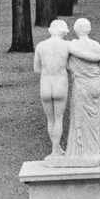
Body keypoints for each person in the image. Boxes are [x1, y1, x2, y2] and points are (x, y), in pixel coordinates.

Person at [66, 18, 100, 164]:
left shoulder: (72, 45)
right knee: (95, 120)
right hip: (96, 84)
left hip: (81, 85)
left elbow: (69, 66)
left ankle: (79, 153)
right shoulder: (96, 45)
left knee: (80, 118)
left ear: (76, 30)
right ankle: (94, 150)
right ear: (89, 29)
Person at [33, 19, 70, 159]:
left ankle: (56, 148)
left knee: (50, 119)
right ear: (63, 32)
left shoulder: (41, 46)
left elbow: (36, 69)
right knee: (59, 118)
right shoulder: (67, 45)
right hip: (60, 83)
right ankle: (56, 150)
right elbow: (70, 66)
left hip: (46, 83)